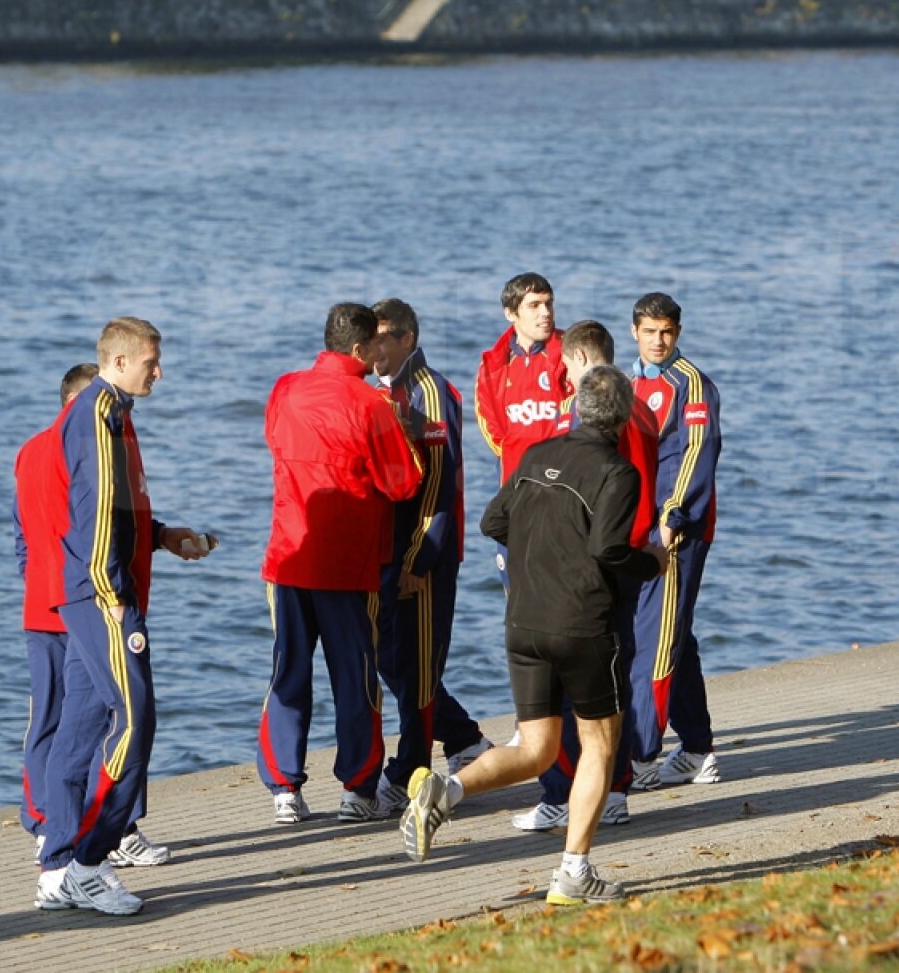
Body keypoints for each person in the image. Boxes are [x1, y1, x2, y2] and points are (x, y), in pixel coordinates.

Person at [399, 365, 667, 906]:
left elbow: (493, 524)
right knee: (601, 745)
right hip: (583, 626)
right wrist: (654, 562)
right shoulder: (618, 471)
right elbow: (610, 552)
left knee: (538, 748)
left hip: (524, 622)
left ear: (574, 408)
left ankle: (444, 790)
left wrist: (542, 549)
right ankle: (573, 872)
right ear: (623, 418)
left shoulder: (535, 454)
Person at [35, 318, 212, 916]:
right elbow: (94, 512)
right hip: (103, 594)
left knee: (83, 727)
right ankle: (89, 860)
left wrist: (162, 536)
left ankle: (59, 864)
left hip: (100, 589)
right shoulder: (96, 414)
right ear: (117, 362)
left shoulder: (115, 411)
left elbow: (118, 506)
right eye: (150, 362)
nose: (158, 371)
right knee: (137, 720)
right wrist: (111, 592)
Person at [257, 303, 423, 826]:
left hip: (289, 552)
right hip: (348, 563)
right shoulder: (369, 403)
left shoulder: (285, 388)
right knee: (356, 677)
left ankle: (284, 786)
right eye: (375, 343)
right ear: (359, 350)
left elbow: (274, 442)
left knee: (289, 670)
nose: (381, 351)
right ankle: (357, 788)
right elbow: (403, 482)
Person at [16, 363, 169, 870]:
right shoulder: (81, 444)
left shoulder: (32, 451)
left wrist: (161, 535)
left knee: (58, 719)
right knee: (103, 716)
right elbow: (86, 521)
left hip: (50, 600)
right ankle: (99, 829)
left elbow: (28, 534)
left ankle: (50, 826)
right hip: (81, 602)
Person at [512, 319, 658, 833]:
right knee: (610, 686)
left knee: (578, 692)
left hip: (597, 564)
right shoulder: (637, 409)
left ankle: (571, 790)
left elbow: (605, 491)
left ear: (575, 362)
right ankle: (610, 788)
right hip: (625, 556)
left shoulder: (604, 422)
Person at [368, 298, 491, 815]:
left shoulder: (431, 393)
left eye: (386, 337)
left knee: (416, 667)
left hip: (425, 557)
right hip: (386, 553)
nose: (376, 347)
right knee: (387, 660)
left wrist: (419, 560)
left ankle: (408, 773)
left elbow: (441, 483)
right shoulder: (378, 390)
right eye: (371, 338)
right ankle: (463, 738)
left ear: (409, 339)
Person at [629, 292, 723, 789]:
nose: (658, 341)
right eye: (650, 332)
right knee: (673, 634)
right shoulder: (627, 384)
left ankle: (641, 757)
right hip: (636, 530)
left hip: (675, 534)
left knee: (655, 641)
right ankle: (697, 747)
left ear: (678, 333)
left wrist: (670, 523)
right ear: (635, 333)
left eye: (666, 332)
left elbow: (694, 459)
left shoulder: (693, 386)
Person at [474, 272, 570, 590]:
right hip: (516, 494)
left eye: (548, 304)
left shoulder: (570, 355)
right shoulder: (492, 364)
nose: (545, 312)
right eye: (534, 305)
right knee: (516, 597)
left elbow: (579, 421)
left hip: (565, 495)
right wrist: (525, 458)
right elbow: (491, 429)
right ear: (511, 313)